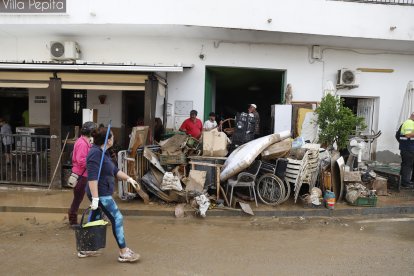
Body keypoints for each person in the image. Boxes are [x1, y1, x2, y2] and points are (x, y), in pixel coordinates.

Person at [84, 126, 140, 262]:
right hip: (100, 194)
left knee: (95, 219)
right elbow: (92, 178)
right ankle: (124, 252)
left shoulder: (105, 152)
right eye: (112, 137)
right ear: (108, 140)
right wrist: (96, 198)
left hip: (102, 192)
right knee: (117, 218)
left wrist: (129, 179)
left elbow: (114, 170)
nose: (114, 139)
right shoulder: (95, 154)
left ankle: (86, 248)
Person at [67, 121, 97, 226]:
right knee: (78, 198)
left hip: (84, 175)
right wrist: (93, 164)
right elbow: (81, 160)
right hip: (81, 175)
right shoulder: (82, 143)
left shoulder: (85, 141)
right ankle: (72, 219)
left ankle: (96, 216)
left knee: (84, 197)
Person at [399, 112, 414, 188]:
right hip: (408, 149)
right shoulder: (409, 123)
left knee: (406, 165)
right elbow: (408, 135)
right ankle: (405, 183)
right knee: (408, 165)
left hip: (408, 148)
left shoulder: (408, 122)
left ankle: (403, 181)